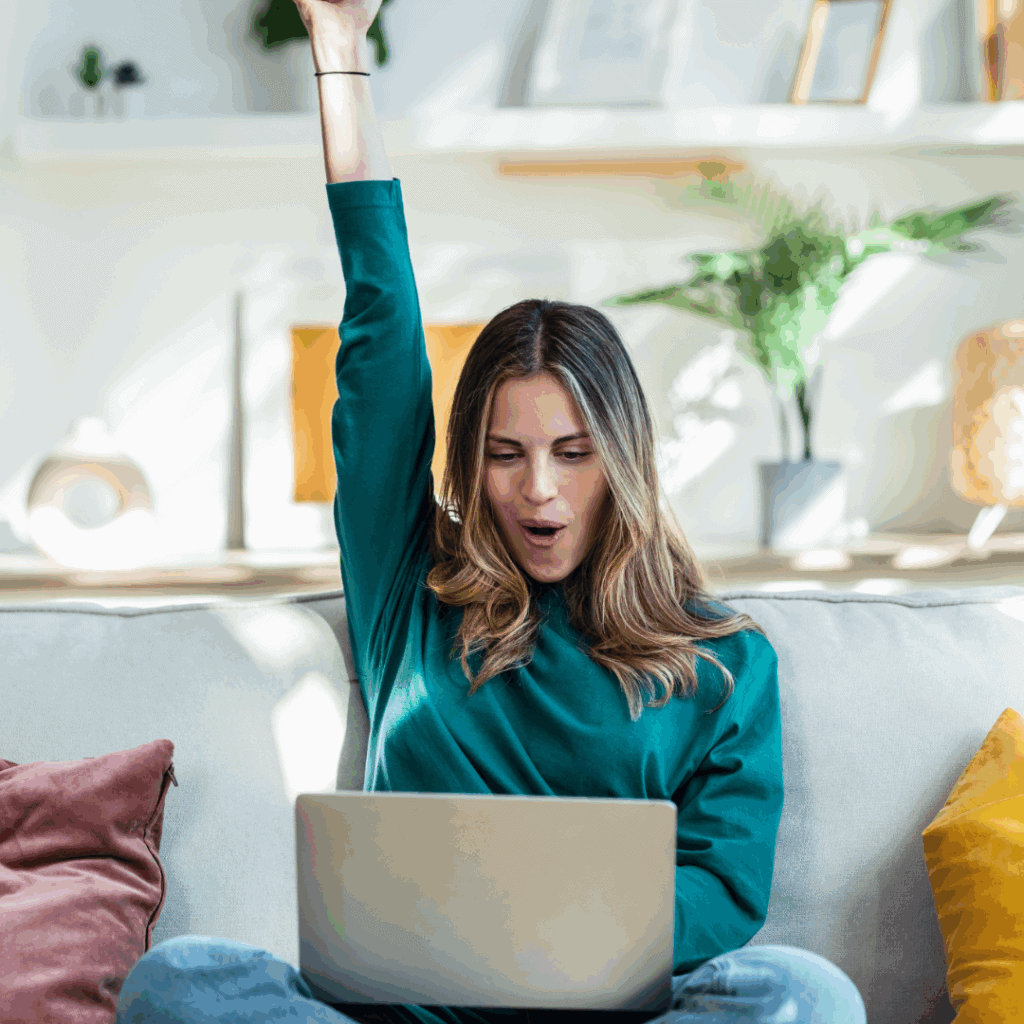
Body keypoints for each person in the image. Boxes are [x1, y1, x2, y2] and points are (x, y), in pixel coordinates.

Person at [115, 1, 868, 1022]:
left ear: (624, 463)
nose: (538, 489)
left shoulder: (724, 663)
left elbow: (722, 892)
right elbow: (380, 335)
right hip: (406, 1015)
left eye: (571, 454)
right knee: (181, 981)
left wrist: (544, 944)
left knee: (803, 993)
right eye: (504, 455)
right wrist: (339, 54)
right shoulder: (410, 593)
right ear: (470, 464)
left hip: (612, 1011)